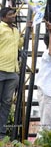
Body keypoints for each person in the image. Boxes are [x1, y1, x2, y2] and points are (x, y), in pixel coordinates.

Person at [0, 7, 24, 139]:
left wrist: (28, 29)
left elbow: (19, 44)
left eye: (14, 13)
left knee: (7, 103)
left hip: (13, 71)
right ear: (3, 17)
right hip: (0, 69)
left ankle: (1, 135)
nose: (13, 15)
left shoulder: (15, 30)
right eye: (10, 14)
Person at [35, 22, 51, 130]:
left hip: (49, 92)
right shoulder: (49, 53)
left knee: (47, 122)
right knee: (46, 124)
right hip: (47, 92)